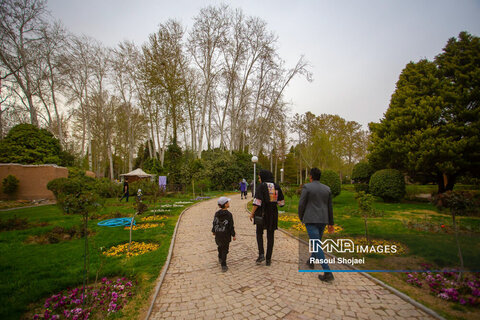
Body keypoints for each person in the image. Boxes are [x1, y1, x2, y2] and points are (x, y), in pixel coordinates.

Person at [298, 167, 335, 282]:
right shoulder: (327, 189)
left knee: (316, 245)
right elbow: (330, 207)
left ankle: (327, 272)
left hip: (311, 220)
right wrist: (331, 223)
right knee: (317, 242)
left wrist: (301, 217)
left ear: (310, 176)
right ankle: (311, 261)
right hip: (323, 220)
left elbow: (301, 204)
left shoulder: (307, 187)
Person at [249, 170, 284, 266]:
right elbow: (281, 203)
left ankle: (261, 254)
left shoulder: (262, 186)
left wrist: (252, 213)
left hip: (262, 213)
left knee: (259, 233)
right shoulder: (276, 186)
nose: (259, 180)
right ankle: (268, 259)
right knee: (270, 235)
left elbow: (257, 202)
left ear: (264, 177)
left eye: (260, 177)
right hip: (272, 214)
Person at [212, 196, 236, 272]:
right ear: (225, 204)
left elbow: (214, 222)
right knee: (225, 249)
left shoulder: (217, 213)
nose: (229, 203)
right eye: (227, 202)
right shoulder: (229, 214)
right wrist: (233, 234)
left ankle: (220, 254)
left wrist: (213, 230)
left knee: (220, 246)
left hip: (218, 233)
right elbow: (231, 226)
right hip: (225, 234)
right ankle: (224, 264)